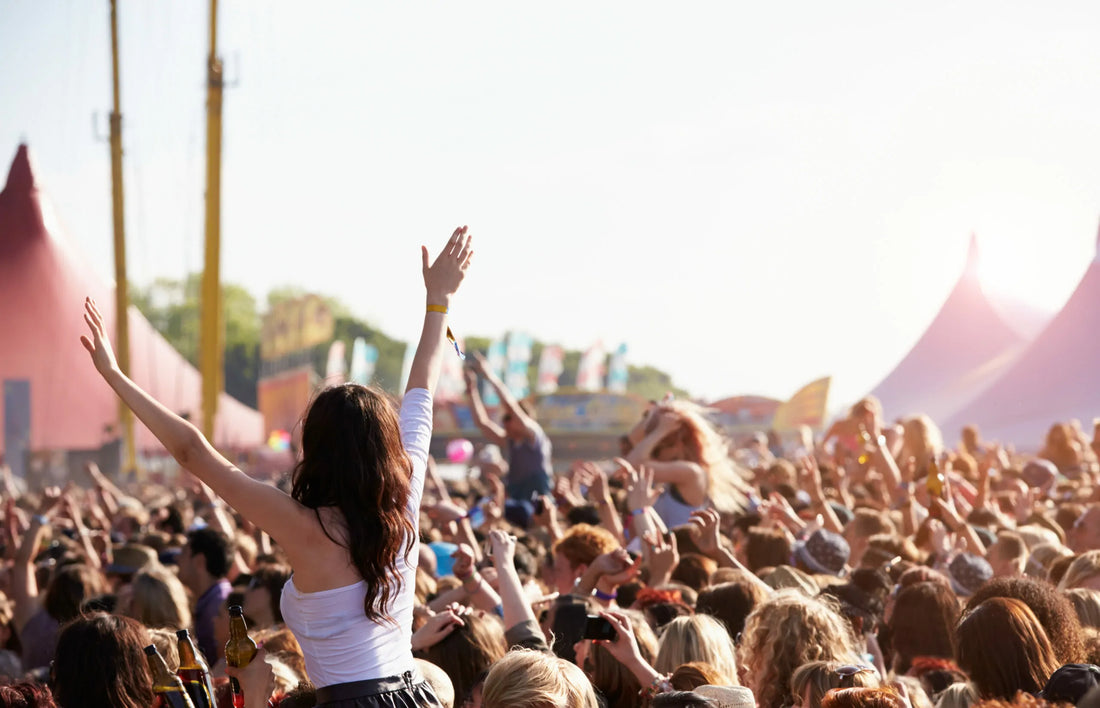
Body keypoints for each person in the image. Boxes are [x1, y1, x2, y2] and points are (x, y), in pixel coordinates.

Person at [81, 227, 474, 706]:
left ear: (318, 449)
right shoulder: (403, 497)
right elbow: (422, 391)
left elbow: (193, 453)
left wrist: (115, 377)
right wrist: (438, 303)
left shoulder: (304, 524)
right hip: (414, 696)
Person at [464, 351, 553, 511]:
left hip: (537, 503)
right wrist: (472, 390)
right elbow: (482, 423)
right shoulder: (510, 441)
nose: (505, 425)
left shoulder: (533, 435)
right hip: (518, 497)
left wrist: (488, 374)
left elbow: (510, 405)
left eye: (509, 419)